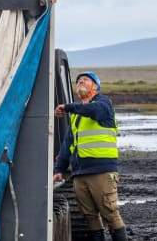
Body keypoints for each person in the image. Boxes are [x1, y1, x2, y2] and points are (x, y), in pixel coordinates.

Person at [53, 71, 127, 241]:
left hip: (102, 171)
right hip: (80, 173)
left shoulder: (103, 103)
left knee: (110, 214)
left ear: (95, 87)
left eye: (85, 80)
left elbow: (94, 110)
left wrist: (68, 107)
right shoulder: (76, 115)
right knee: (90, 218)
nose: (80, 82)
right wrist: (60, 169)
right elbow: (68, 144)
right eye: (78, 80)